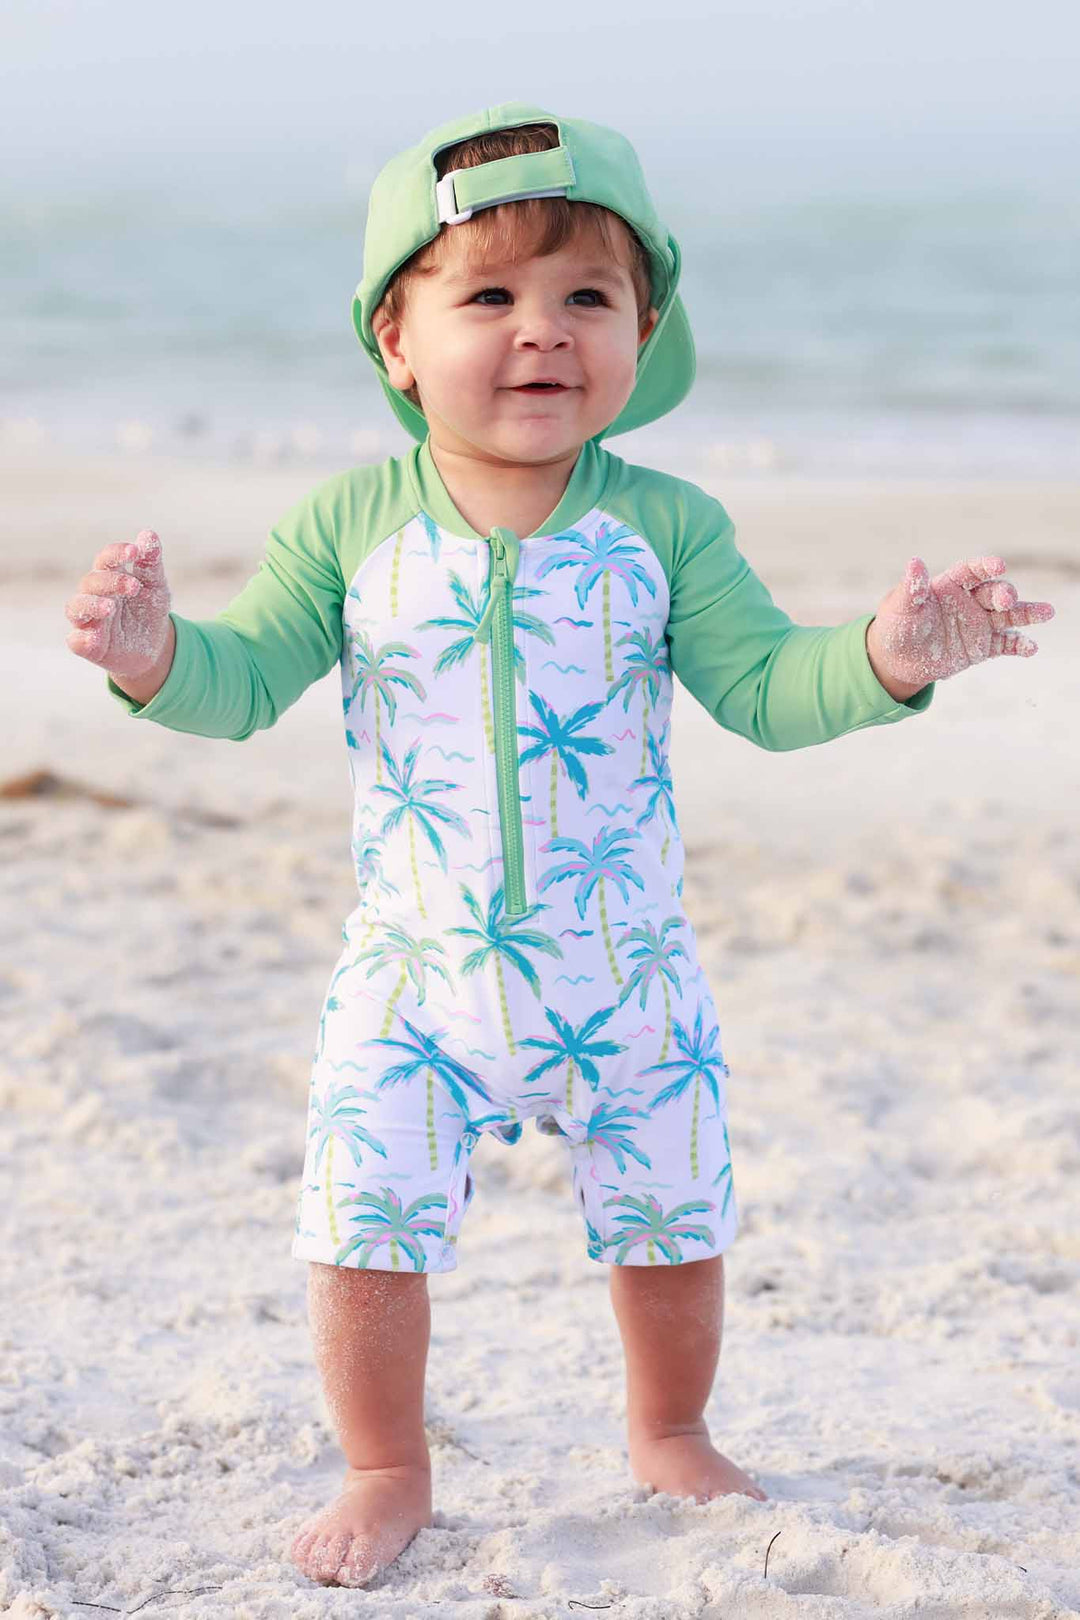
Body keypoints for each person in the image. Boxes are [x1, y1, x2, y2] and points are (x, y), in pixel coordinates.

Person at [64, 103, 1056, 1590]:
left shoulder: (666, 527)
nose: (543, 332)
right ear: (395, 341)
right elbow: (244, 679)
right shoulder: (350, 526)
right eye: (489, 297)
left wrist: (888, 654)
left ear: (643, 338)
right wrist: (152, 652)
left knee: (673, 1213)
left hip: (623, 965)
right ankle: (388, 1463)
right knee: (364, 1219)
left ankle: (670, 1428)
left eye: (588, 296)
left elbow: (770, 693)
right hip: (417, 972)